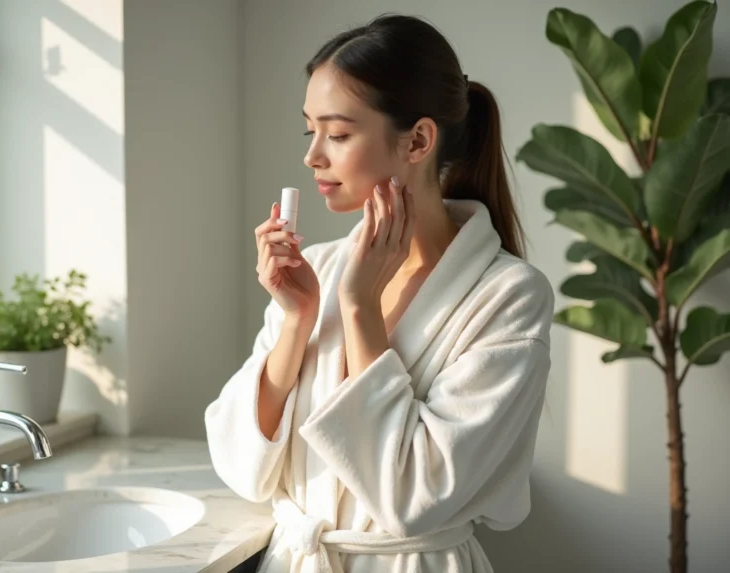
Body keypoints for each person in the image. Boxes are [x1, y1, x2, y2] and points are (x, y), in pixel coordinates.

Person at [205, 13, 554, 573]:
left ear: (417, 140)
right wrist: (297, 320)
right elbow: (240, 464)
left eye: (338, 134)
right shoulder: (317, 270)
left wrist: (360, 306)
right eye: (310, 131)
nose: (313, 156)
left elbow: (414, 496)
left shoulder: (509, 296)